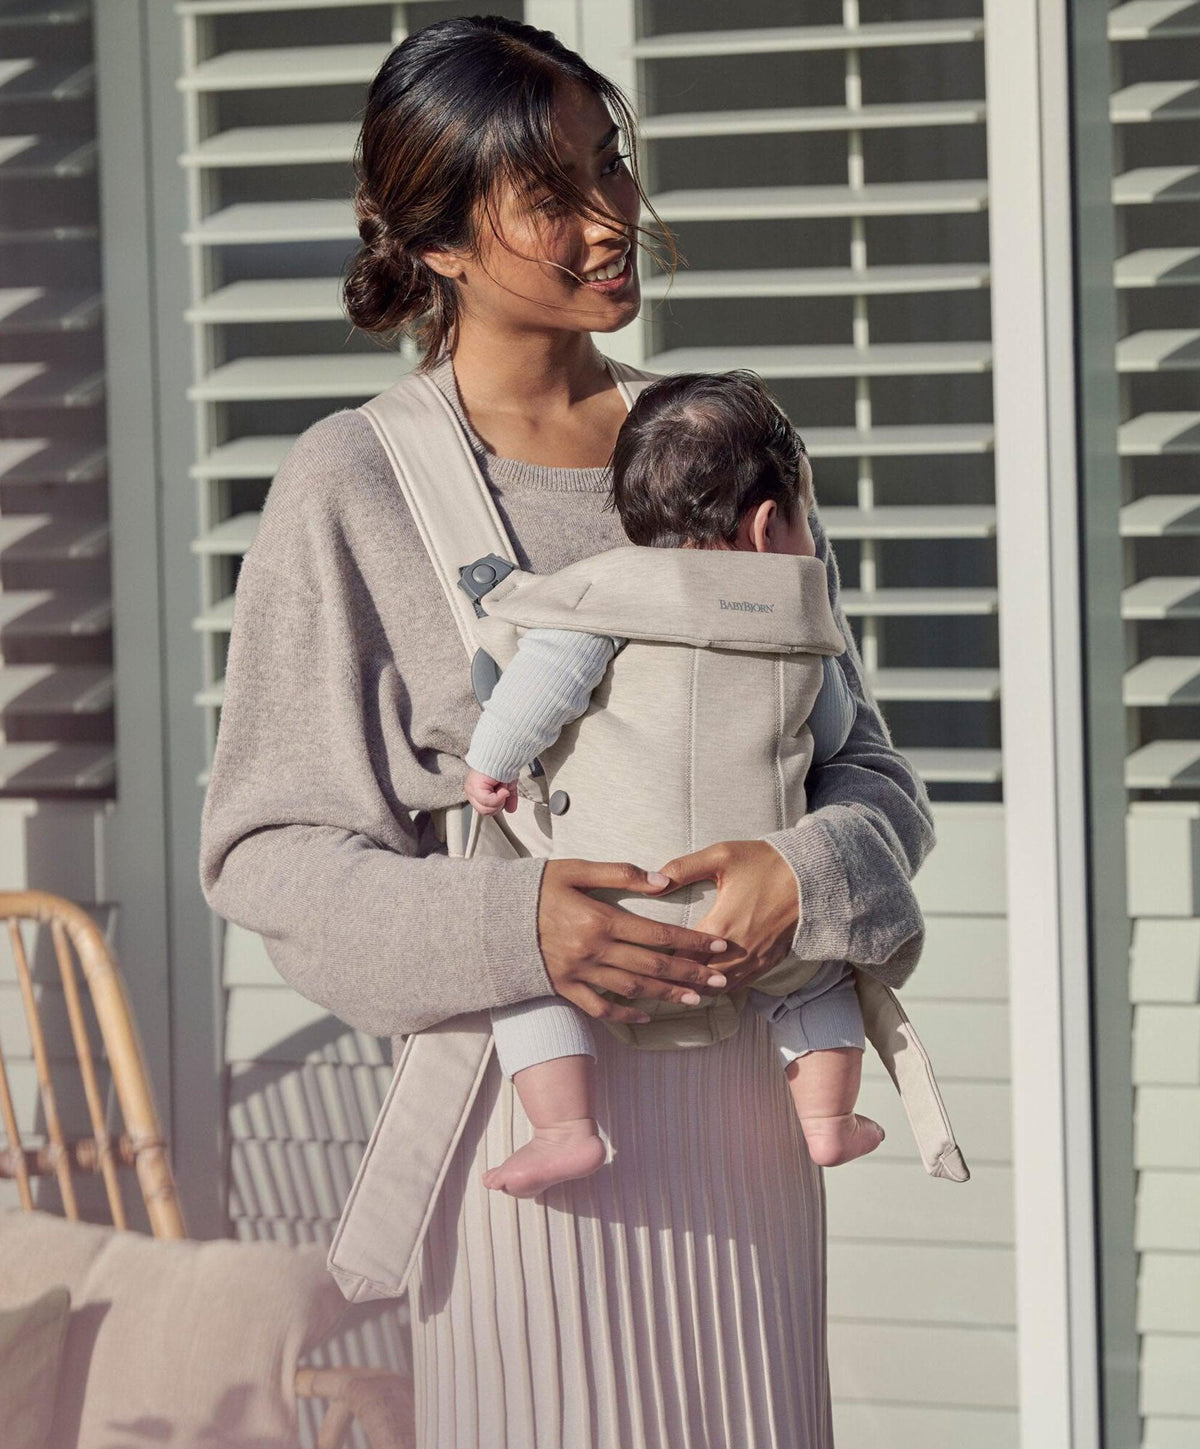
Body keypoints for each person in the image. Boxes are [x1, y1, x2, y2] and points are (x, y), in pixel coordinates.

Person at [199, 16, 935, 1448]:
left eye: (612, 166)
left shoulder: (726, 441)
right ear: (439, 244)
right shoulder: (353, 482)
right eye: (552, 197)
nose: (612, 221)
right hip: (525, 1133)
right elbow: (267, 853)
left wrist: (808, 869)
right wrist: (518, 926)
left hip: (754, 1124)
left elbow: (867, 770)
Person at [465, 371, 884, 1201]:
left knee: (524, 982)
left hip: (620, 914)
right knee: (828, 974)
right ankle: (829, 1118)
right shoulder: (800, 624)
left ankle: (564, 1129)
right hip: (758, 919)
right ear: (769, 525)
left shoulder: (606, 593)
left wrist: (493, 761)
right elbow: (835, 735)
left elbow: (541, 687)